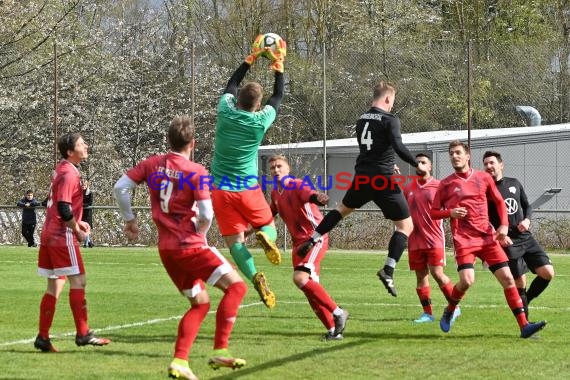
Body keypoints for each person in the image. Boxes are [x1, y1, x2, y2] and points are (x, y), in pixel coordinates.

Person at [114, 116, 248, 379]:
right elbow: (207, 214)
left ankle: (180, 361)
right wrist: (201, 234)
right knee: (237, 287)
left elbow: (120, 188)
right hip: (190, 245)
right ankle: (221, 350)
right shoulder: (196, 171)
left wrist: (130, 219)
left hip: (167, 250)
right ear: (193, 143)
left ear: (168, 141)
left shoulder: (153, 164)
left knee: (199, 303)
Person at [298, 81, 427, 297]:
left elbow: (375, 149)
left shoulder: (361, 119)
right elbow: (397, 146)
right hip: (383, 180)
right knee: (405, 226)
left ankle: (313, 237)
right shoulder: (390, 119)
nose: (392, 105)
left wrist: (387, 163)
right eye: (392, 101)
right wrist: (417, 164)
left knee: (341, 210)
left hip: (362, 177)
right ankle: (388, 269)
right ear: (387, 99)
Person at [430, 140, 546, 338]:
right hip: (464, 240)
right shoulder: (446, 184)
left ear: (467, 156)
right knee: (466, 281)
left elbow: (500, 202)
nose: (454, 156)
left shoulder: (483, 178)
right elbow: (433, 212)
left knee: (509, 279)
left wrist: (502, 226)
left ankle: (524, 326)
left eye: (458, 152)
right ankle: (450, 310)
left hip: (487, 239)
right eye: (451, 153)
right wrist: (450, 212)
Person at [210, 35, 286, 309]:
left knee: (234, 243)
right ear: (257, 105)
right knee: (267, 225)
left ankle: (255, 276)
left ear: (237, 99)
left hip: (220, 191)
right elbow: (278, 96)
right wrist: (278, 65)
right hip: (247, 188)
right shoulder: (259, 122)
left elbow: (230, 84)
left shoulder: (225, 110)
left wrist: (249, 59)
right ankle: (266, 237)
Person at [35, 132, 110, 353]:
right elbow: (64, 207)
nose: (86, 145)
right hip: (61, 236)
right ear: (70, 151)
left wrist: (78, 221)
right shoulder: (69, 173)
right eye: (81, 143)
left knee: (55, 285)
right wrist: (77, 230)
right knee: (79, 281)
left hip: (49, 234)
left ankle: (43, 336)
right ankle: (83, 333)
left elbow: (59, 204)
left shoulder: (62, 169)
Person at [267, 154, 349, 340]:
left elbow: (310, 195)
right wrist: (247, 232)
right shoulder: (275, 193)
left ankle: (338, 312)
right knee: (310, 290)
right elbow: (268, 215)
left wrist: (319, 197)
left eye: (279, 166)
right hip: (298, 244)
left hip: (314, 238)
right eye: (272, 168)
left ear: (288, 169)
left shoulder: (297, 184)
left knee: (300, 278)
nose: (276, 170)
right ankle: (333, 331)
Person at [483, 150, 555, 317]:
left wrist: (527, 220)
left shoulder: (514, 183)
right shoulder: (485, 190)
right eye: (486, 164)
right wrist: (500, 236)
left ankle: (525, 301)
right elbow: (483, 219)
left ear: (501, 165)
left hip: (525, 237)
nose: (488, 166)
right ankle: (526, 325)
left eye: (491, 163)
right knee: (520, 282)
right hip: (507, 241)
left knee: (548, 273)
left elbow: (527, 205)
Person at [403, 153, 460, 323]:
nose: (419, 165)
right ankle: (427, 313)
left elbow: (451, 212)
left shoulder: (440, 186)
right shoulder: (408, 188)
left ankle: (454, 308)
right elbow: (399, 205)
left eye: (423, 162)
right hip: (414, 240)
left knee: (437, 273)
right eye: (417, 162)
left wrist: (457, 236)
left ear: (430, 166)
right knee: (420, 276)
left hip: (434, 239)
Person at [81, 180, 94, 248]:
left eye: (84, 185)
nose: (83, 187)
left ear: (87, 186)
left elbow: (90, 203)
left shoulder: (90, 193)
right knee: (83, 228)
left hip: (87, 213)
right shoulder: (79, 193)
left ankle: (86, 244)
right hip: (82, 212)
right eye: (82, 185)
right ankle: (89, 242)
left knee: (87, 228)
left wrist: (82, 205)